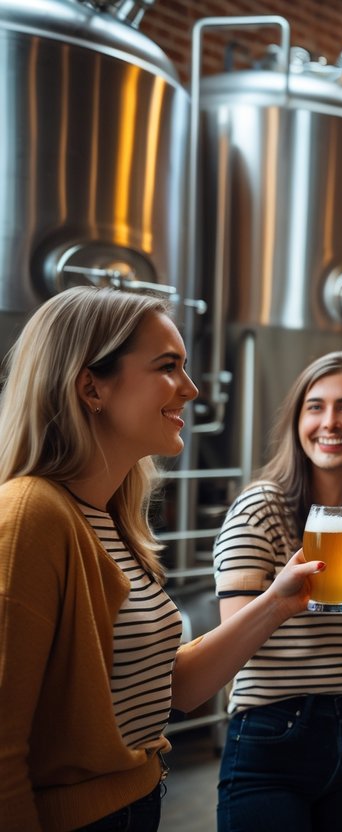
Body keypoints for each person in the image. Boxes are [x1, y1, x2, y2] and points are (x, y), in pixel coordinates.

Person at [0, 287, 320, 832]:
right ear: (90, 385)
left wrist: (276, 602)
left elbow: (171, 689)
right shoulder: (30, 514)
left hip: (137, 804)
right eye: (168, 367)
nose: (192, 390)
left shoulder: (109, 519)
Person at [212, 352, 342, 830]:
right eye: (315, 407)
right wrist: (279, 601)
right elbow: (229, 647)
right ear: (297, 421)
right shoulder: (260, 509)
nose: (329, 422)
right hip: (273, 735)